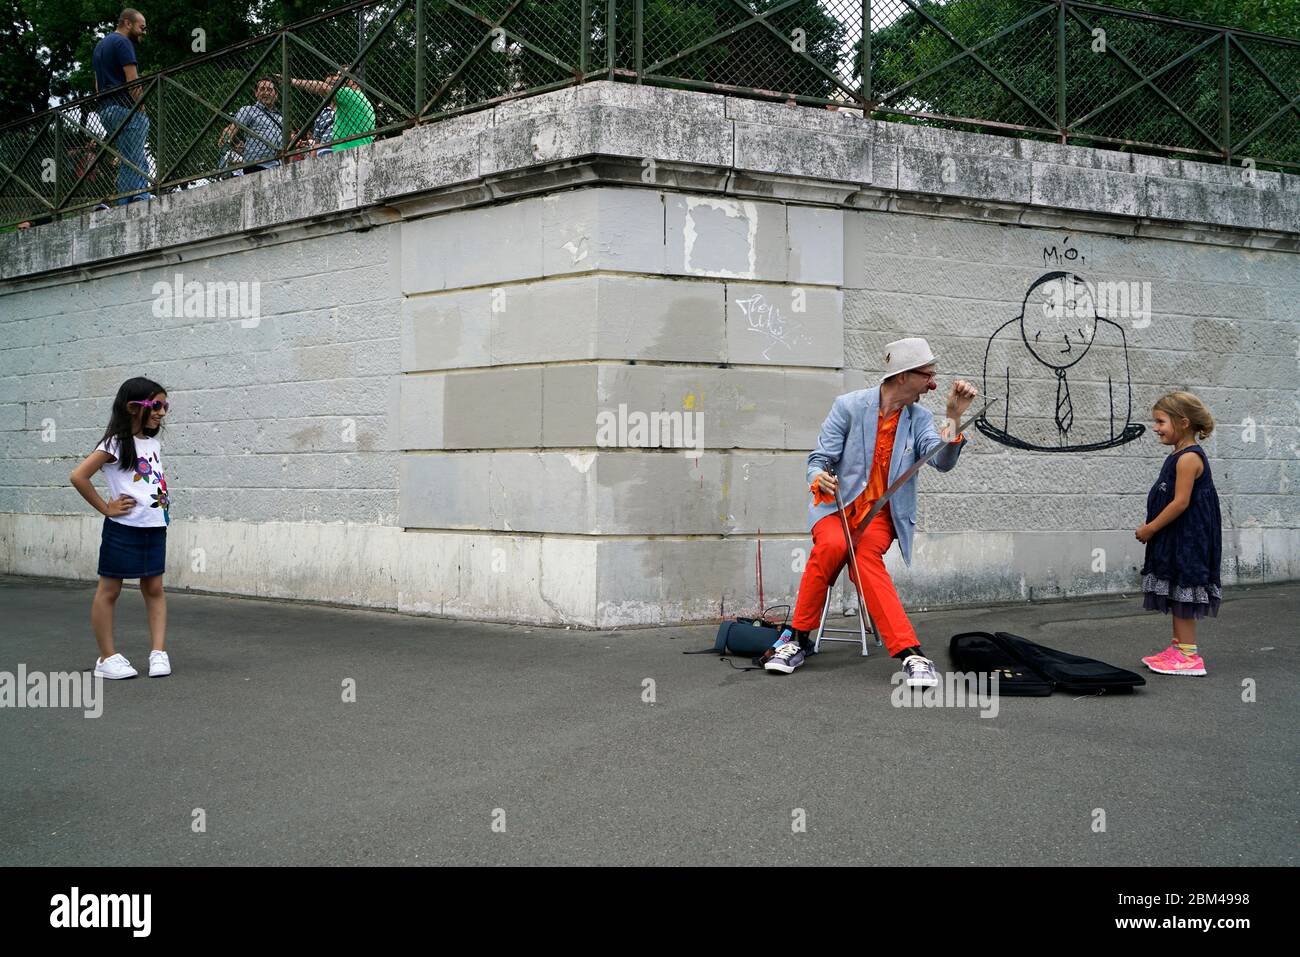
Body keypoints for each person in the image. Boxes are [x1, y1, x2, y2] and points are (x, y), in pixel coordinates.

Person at [765, 338, 977, 687]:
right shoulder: (848, 407)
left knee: (865, 558)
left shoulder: (919, 418)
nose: (933, 384)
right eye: (927, 376)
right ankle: (796, 640)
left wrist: (954, 417)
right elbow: (819, 460)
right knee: (832, 547)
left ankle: (911, 654)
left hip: (881, 516)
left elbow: (940, 461)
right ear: (903, 376)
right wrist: (818, 477)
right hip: (837, 509)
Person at [69, 378, 173, 679]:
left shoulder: (152, 443)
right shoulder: (114, 443)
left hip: (154, 527)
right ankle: (107, 657)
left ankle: (158, 651)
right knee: (110, 590)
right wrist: (106, 507)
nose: (162, 412)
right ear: (132, 407)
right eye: (156, 405)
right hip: (123, 529)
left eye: (165, 406)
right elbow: (79, 476)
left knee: (154, 588)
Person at [1136, 392, 1222, 676]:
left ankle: (1189, 656)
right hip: (1176, 536)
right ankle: (1178, 648)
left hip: (1188, 537)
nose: (1156, 427)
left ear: (1183, 422)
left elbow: (1180, 502)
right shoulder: (1177, 454)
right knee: (1175, 588)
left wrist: (1151, 528)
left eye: (1161, 421)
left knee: (1185, 589)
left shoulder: (1188, 459)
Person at [92, 8, 152, 203]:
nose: (144, 31)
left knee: (129, 157)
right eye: (141, 27)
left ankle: (127, 199)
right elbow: (132, 80)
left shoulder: (100, 45)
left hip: (105, 110)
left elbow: (97, 85)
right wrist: (140, 108)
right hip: (125, 108)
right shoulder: (123, 42)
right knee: (134, 158)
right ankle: (139, 197)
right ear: (128, 23)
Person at [278, 69, 374, 151]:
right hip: (360, 150)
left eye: (341, 76)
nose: (337, 78)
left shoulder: (350, 94)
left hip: (348, 151)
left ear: (352, 81)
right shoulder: (367, 104)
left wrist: (292, 81)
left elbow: (323, 88)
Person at [218, 77, 284, 172]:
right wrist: (226, 138)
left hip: (277, 166)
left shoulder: (280, 117)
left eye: (269, 90)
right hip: (256, 165)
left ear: (276, 95)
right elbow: (233, 127)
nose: (266, 92)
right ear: (256, 93)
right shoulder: (248, 110)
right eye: (262, 89)